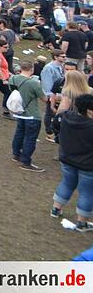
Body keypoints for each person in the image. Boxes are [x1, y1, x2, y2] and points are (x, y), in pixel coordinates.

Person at [52, 93, 93, 231]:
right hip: (88, 165)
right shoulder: (90, 126)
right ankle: (82, 223)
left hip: (67, 159)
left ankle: (56, 210)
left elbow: (55, 127)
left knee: (67, 183)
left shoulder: (65, 117)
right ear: (89, 110)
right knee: (87, 192)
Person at [8, 60, 46, 172]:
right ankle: (26, 161)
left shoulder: (13, 79)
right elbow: (44, 99)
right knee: (30, 138)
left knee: (19, 133)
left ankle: (16, 154)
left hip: (19, 112)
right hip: (32, 114)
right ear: (32, 70)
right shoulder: (33, 83)